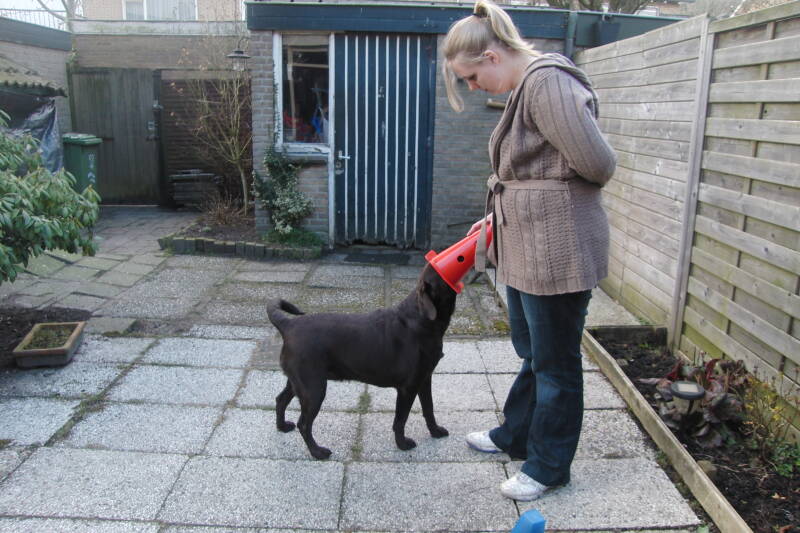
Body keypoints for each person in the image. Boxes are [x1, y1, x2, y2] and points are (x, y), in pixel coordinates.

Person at [441, 0, 617, 502]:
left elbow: (598, 164)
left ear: (493, 56)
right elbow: (537, 170)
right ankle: (514, 435)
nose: (473, 88)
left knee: (556, 364)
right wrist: (500, 212)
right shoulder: (527, 89)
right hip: (525, 247)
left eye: (472, 77)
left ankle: (547, 467)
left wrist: (527, 200)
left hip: (557, 253)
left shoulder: (549, 83)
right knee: (533, 353)